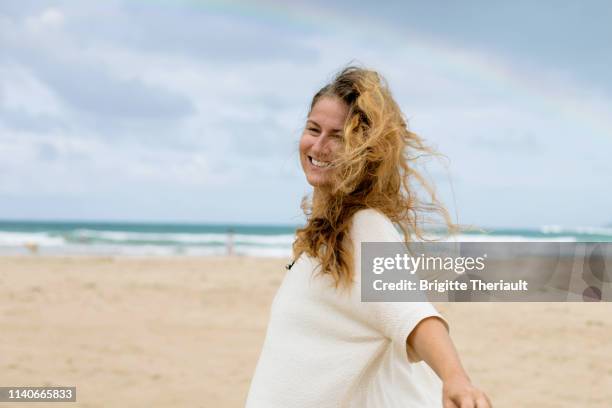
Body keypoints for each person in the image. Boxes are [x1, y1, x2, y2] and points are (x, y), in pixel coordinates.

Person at [246, 66, 492, 407]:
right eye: (313, 129)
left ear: (365, 150)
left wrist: (456, 379)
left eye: (338, 136)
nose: (318, 145)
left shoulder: (362, 227)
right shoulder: (324, 235)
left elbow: (413, 313)